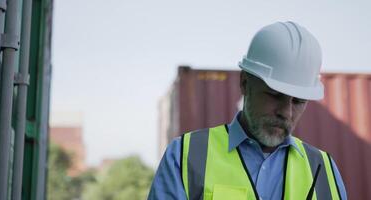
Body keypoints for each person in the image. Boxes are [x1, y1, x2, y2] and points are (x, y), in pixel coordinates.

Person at [148, 21, 347, 200]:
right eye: (275, 95)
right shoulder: (185, 155)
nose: (286, 113)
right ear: (244, 83)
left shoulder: (323, 169)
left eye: (298, 101)